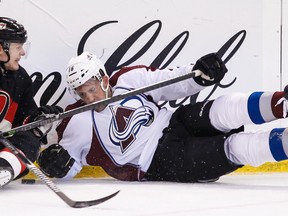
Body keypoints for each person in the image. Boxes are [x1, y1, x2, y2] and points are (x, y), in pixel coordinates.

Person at [38, 51, 288, 183]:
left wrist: (197, 73)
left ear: (104, 79)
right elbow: (69, 162)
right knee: (233, 147)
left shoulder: (128, 79)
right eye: (82, 93)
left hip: (174, 122)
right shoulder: (78, 122)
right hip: (158, 162)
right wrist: (56, 164)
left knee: (225, 108)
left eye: (91, 89)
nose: (89, 98)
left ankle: (283, 103)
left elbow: (166, 82)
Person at [0, 17, 62, 188]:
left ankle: (3, 167)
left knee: (33, 135)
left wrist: (38, 118)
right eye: (18, 47)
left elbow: (25, 120)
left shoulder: (20, 78)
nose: (22, 53)